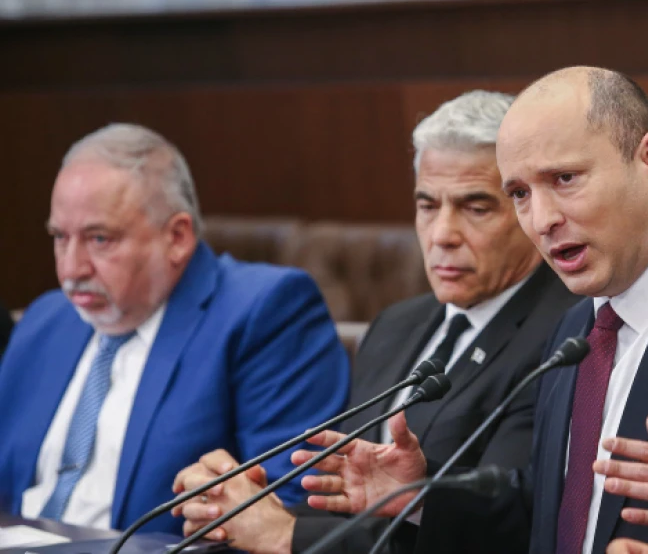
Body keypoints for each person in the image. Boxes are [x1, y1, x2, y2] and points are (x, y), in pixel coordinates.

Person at [290, 66, 648, 554]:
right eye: (519, 192)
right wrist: (421, 495)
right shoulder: (580, 325)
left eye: (564, 179)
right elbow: (553, 507)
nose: (540, 219)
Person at [171, 90, 580, 553]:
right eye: (428, 205)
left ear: (527, 207)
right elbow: (350, 505)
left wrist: (288, 536)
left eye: (476, 207)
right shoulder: (396, 326)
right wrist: (244, 506)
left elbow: (502, 530)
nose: (442, 234)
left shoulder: (566, 336)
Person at [0, 123, 351, 534]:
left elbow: (287, 512)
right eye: (60, 237)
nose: (71, 268)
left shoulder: (264, 312)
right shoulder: (46, 320)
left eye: (100, 239)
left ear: (177, 237)